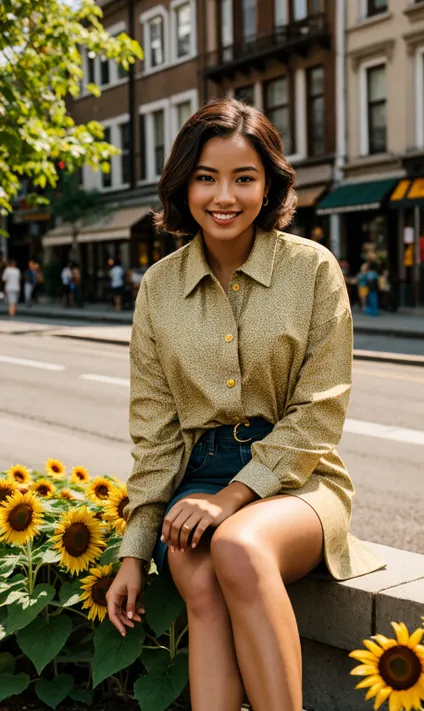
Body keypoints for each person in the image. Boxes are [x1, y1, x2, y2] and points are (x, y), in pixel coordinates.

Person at [106, 99, 384, 711]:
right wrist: (134, 550)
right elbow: (154, 432)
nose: (223, 196)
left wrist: (233, 497)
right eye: (206, 177)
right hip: (194, 477)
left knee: (236, 545)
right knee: (200, 578)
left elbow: (320, 409)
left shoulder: (311, 269)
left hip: (299, 482)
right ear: (185, 184)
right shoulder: (158, 289)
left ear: (269, 184)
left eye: (243, 178)